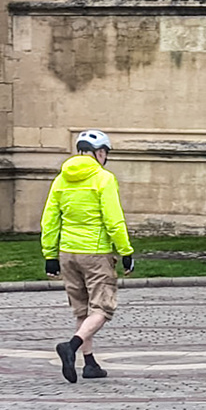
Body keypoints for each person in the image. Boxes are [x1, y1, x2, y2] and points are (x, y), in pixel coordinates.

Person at [41, 129, 135, 382]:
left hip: (67, 253)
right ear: (100, 153)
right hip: (95, 253)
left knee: (82, 310)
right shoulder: (104, 179)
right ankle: (71, 347)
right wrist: (126, 251)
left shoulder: (61, 179)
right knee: (102, 308)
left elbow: (50, 220)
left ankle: (90, 363)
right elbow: (114, 220)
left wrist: (50, 254)